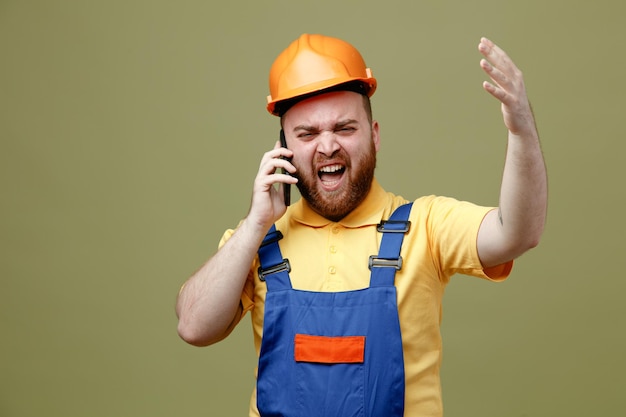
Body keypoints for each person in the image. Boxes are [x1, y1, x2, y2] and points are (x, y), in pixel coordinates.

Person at [176, 33, 547, 417]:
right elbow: (193, 326)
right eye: (307, 133)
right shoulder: (257, 240)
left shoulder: (426, 225)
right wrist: (255, 224)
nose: (327, 146)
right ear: (282, 149)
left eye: (345, 128)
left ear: (374, 136)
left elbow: (517, 233)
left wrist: (521, 130)